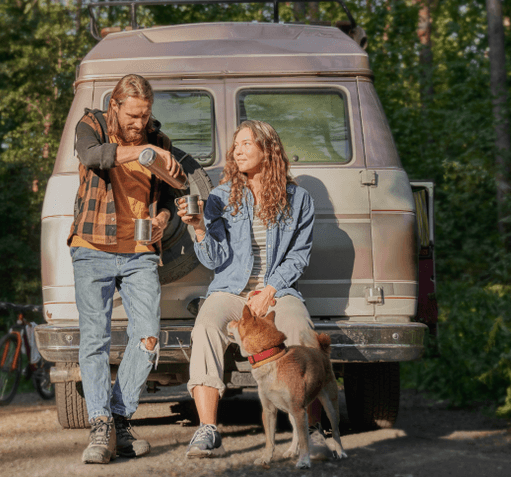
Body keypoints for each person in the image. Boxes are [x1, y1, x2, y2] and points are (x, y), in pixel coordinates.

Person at [177, 120, 328, 459]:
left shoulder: (298, 199)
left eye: (246, 144)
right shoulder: (220, 196)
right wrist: (199, 228)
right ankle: (208, 430)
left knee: (301, 331)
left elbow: (298, 255)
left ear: (267, 149)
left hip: (278, 288)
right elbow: (216, 258)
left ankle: (313, 431)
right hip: (231, 288)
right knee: (205, 326)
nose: (238, 151)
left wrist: (271, 288)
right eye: (236, 145)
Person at [68, 74, 184, 464]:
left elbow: (169, 191)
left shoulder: (159, 140)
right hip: (92, 246)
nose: (139, 124)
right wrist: (140, 151)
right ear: (115, 105)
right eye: (133, 116)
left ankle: (118, 417)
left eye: (145, 115)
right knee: (95, 340)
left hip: (140, 250)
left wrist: (164, 216)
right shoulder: (92, 125)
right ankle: (100, 424)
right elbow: (92, 157)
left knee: (148, 335)